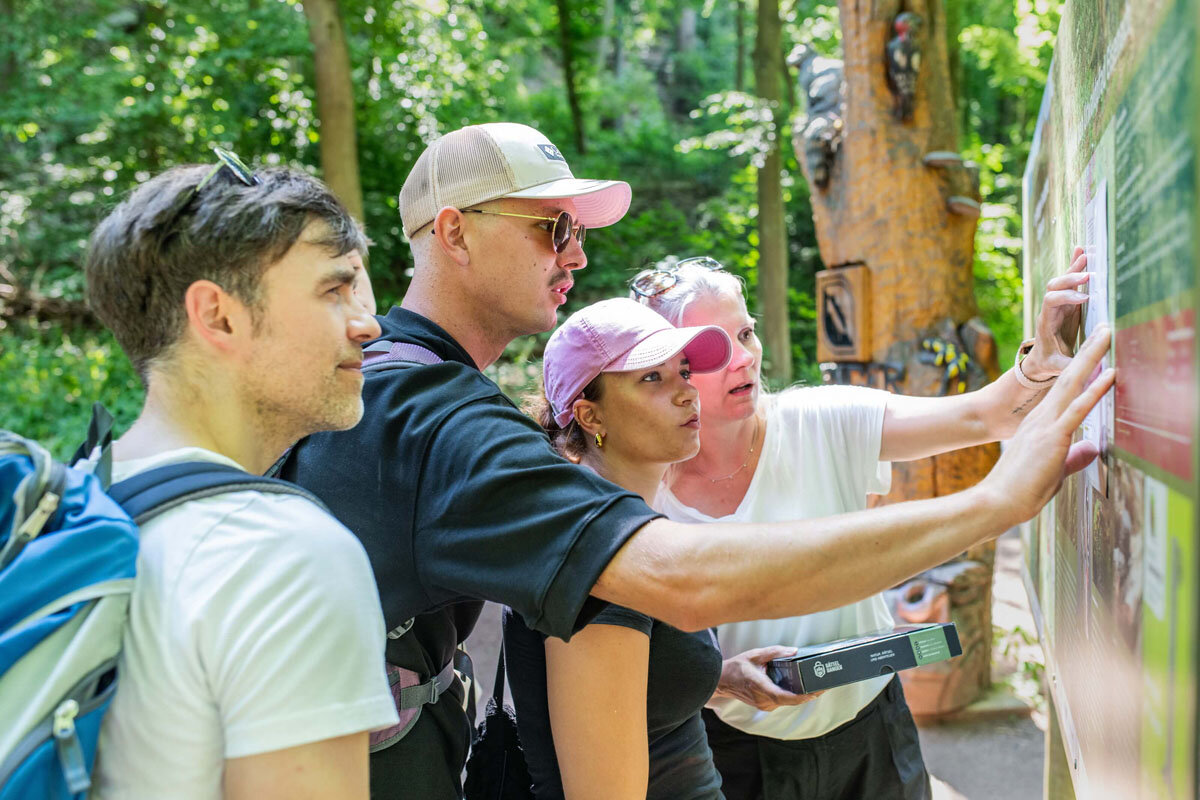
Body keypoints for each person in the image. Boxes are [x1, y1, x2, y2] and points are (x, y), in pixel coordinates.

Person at [281, 121, 1113, 799]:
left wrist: (712, 675)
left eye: (578, 232)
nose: (576, 255)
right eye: (552, 228)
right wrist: (996, 502)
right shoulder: (434, 415)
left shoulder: (392, 381)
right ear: (454, 232)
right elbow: (674, 580)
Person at [633, 254, 1091, 800]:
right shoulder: (640, 489)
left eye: (747, 334)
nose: (745, 359)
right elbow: (627, 657)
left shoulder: (819, 420)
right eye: (714, 347)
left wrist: (1039, 362)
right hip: (733, 752)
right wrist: (717, 681)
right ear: (664, 369)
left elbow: (986, 415)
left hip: (874, 729)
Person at [85, 150, 399, 800]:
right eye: (333, 290)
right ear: (218, 316)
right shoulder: (282, 555)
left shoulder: (75, 501)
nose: (368, 324)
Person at [505, 297, 756, 799]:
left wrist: (723, 678)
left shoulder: (616, 524)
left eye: (684, 371)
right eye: (652, 378)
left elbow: (636, 694)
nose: (687, 392)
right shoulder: (598, 555)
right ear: (589, 415)